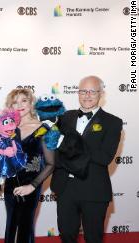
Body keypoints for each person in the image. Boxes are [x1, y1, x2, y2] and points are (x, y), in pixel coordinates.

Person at [51, 75, 122, 243]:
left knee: (93, 238)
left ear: (101, 94)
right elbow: (54, 151)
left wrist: (73, 143)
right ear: (77, 93)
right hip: (65, 188)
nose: (87, 95)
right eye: (83, 91)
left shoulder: (113, 122)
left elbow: (105, 157)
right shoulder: (64, 118)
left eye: (92, 91)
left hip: (94, 190)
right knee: (66, 236)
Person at [3, 88, 55, 243]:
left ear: (31, 103)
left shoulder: (44, 129)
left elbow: (51, 163)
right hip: (10, 186)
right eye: (14, 102)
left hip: (32, 185)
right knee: (11, 225)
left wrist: (32, 186)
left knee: (25, 227)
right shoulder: (8, 129)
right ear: (10, 107)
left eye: (23, 100)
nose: (19, 105)